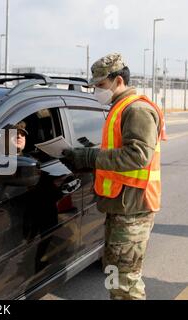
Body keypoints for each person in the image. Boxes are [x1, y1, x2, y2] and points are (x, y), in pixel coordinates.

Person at [62, 53, 166, 300]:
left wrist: (89, 157)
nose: (97, 91)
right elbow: (115, 151)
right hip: (122, 206)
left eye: (100, 85)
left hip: (134, 208)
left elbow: (137, 156)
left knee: (126, 284)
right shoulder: (120, 107)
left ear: (118, 80)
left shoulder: (138, 110)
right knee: (118, 276)